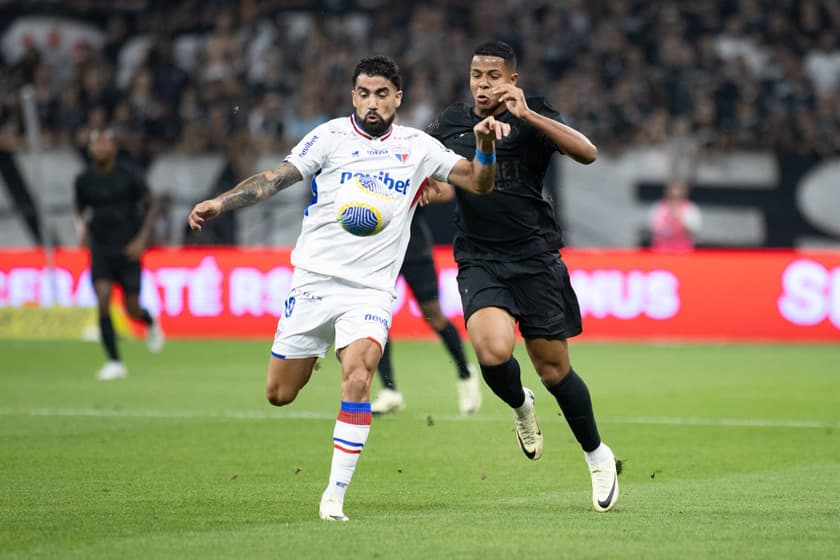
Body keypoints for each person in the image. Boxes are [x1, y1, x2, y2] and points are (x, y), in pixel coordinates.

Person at [187, 55, 508, 522]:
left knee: (358, 376)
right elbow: (276, 178)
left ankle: (334, 496)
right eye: (364, 93)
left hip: (371, 291)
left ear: (398, 97)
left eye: (382, 94)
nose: (372, 103)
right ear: (353, 96)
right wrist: (222, 202)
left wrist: (485, 147)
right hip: (314, 280)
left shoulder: (417, 146)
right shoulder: (329, 137)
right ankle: (313, 352)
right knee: (279, 394)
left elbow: (478, 183)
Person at [425, 41, 620, 512]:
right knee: (493, 352)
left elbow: (588, 153)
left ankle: (598, 456)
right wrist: (430, 185)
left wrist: (529, 116)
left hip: (535, 256)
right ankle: (520, 407)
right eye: (477, 75)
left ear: (512, 80)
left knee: (554, 369)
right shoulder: (451, 123)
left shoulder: (534, 117)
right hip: (480, 257)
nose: (484, 84)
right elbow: (423, 166)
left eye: (494, 76)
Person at [371, 191, 482, 416]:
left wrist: (418, 191)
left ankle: (465, 373)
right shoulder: (367, 160)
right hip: (380, 251)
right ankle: (389, 390)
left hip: (414, 248)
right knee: (375, 316)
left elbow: (447, 191)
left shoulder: (415, 156)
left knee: (434, 316)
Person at [74, 128, 165, 381]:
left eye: (104, 144)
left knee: (132, 308)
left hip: (128, 250)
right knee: (103, 299)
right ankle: (114, 361)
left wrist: (141, 239)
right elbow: (80, 208)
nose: (99, 148)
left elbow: (152, 204)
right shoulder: (84, 180)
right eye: (95, 144)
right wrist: (81, 230)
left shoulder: (129, 175)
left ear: (114, 147)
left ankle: (149, 322)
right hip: (101, 249)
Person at [649, 178, 702, 252]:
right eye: (672, 190)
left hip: (683, 250)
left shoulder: (690, 208)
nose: (675, 193)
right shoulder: (659, 207)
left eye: (678, 190)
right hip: (661, 250)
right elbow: (654, 228)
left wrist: (680, 220)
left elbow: (694, 231)